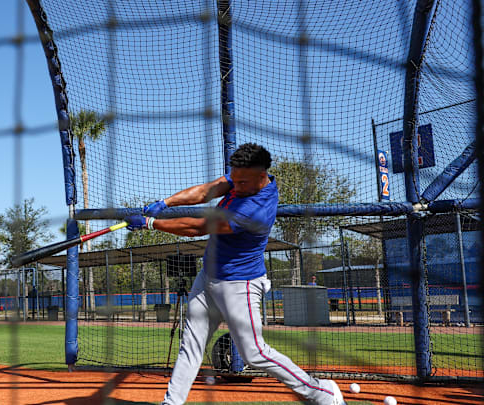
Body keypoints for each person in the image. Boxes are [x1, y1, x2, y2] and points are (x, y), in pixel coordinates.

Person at [124, 143, 346, 405]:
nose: (235, 186)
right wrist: (165, 202)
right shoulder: (244, 177)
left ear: (261, 177)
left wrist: (152, 224)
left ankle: (322, 391)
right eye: (234, 179)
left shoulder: (254, 210)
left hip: (239, 285)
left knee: (255, 354)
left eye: (241, 183)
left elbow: (199, 228)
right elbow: (208, 190)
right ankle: (171, 403)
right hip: (208, 277)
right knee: (191, 345)